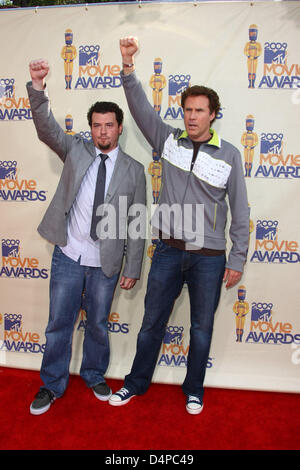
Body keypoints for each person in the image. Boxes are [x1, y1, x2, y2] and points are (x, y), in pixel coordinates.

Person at [109, 37, 249, 415]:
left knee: (201, 330)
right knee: (151, 323)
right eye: (187, 109)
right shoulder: (169, 140)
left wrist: (237, 258)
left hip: (209, 258)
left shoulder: (231, 154)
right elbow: (139, 109)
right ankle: (135, 384)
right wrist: (127, 67)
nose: (191, 116)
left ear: (213, 114)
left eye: (200, 111)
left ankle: (194, 390)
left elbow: (241, 209)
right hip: (168, 250)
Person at [27, 59, 146, 415]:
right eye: (96, 125)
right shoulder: (75, 150)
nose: (103, 132)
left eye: (109, 125)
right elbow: (47, 129)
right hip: (69, 253)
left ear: (120, 128)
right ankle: (51, 385)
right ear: (90, 128)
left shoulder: (134, 170)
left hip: (105, 261)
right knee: (59, 323)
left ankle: (94, 373)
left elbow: (137, 222)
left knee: (96, 323)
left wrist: (134, 266)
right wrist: (37, 88)